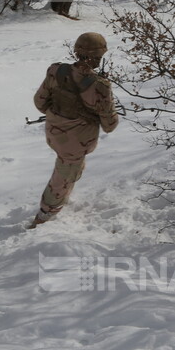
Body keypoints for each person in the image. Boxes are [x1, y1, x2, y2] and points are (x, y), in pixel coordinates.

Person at [30, 33, 119, 228]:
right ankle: (45, 214)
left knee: (71, 169)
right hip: (77, 142)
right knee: (64, 175)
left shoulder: (56, 71)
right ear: (99, 56)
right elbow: (109, 126)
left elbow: (39, 102)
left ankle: (61, 197)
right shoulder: (100, 86)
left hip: (53, 132)